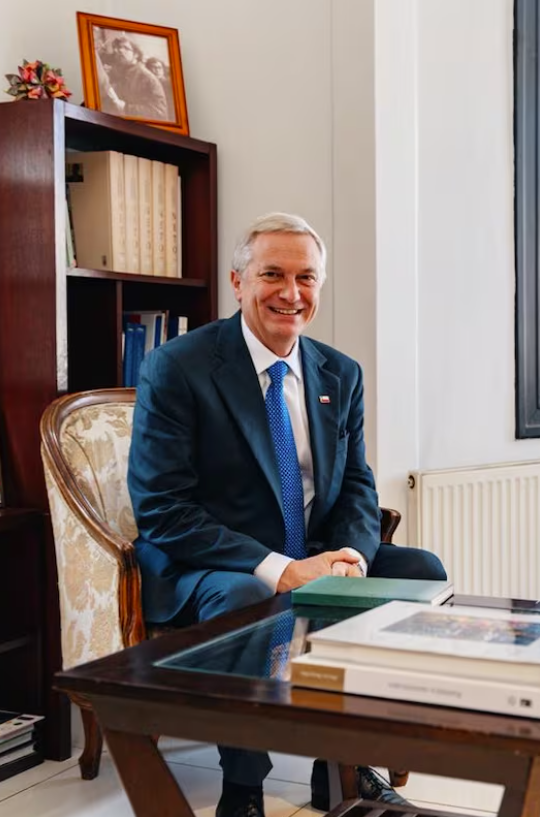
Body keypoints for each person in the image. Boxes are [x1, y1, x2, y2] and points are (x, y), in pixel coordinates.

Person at [128, 212, 447, 817]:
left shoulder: (339, 372)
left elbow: (356, 482)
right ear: (237, 281)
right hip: (214, 561)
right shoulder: (178, 367)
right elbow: (161, 509)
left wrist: (351, 556)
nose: (290, 293)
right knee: (248, 593)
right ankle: (243, 785)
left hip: (315, 549)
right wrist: (281, 568)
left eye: (306, 278)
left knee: (420, 570)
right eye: (272, 274)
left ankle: (349, 765)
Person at [97, 34, 168, 121]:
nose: (120, 51)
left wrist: (126, 108)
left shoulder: (147, 78)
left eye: (125, 48)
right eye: (118, 48)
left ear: (136, 54)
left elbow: (160, 113)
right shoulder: (117, 73)